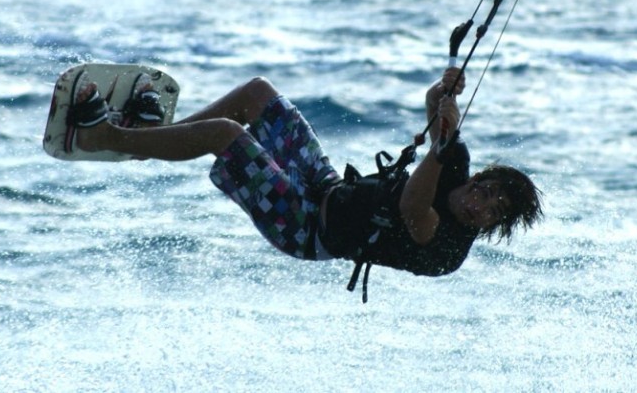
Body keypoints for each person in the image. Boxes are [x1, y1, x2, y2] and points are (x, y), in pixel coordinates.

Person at [70, 67, 543, 295]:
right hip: (324, 186)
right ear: (479, 177)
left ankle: (103, 138)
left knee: (225, 137)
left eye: (493, 213)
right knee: (258, 95)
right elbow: (439, 107)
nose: (481, 206)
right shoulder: (454, 157)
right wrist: (446, 90)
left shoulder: (447, 251)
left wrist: (439, 148)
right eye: (487, 192)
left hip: (304, 229)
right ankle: (153, 138)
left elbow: (413, 207)